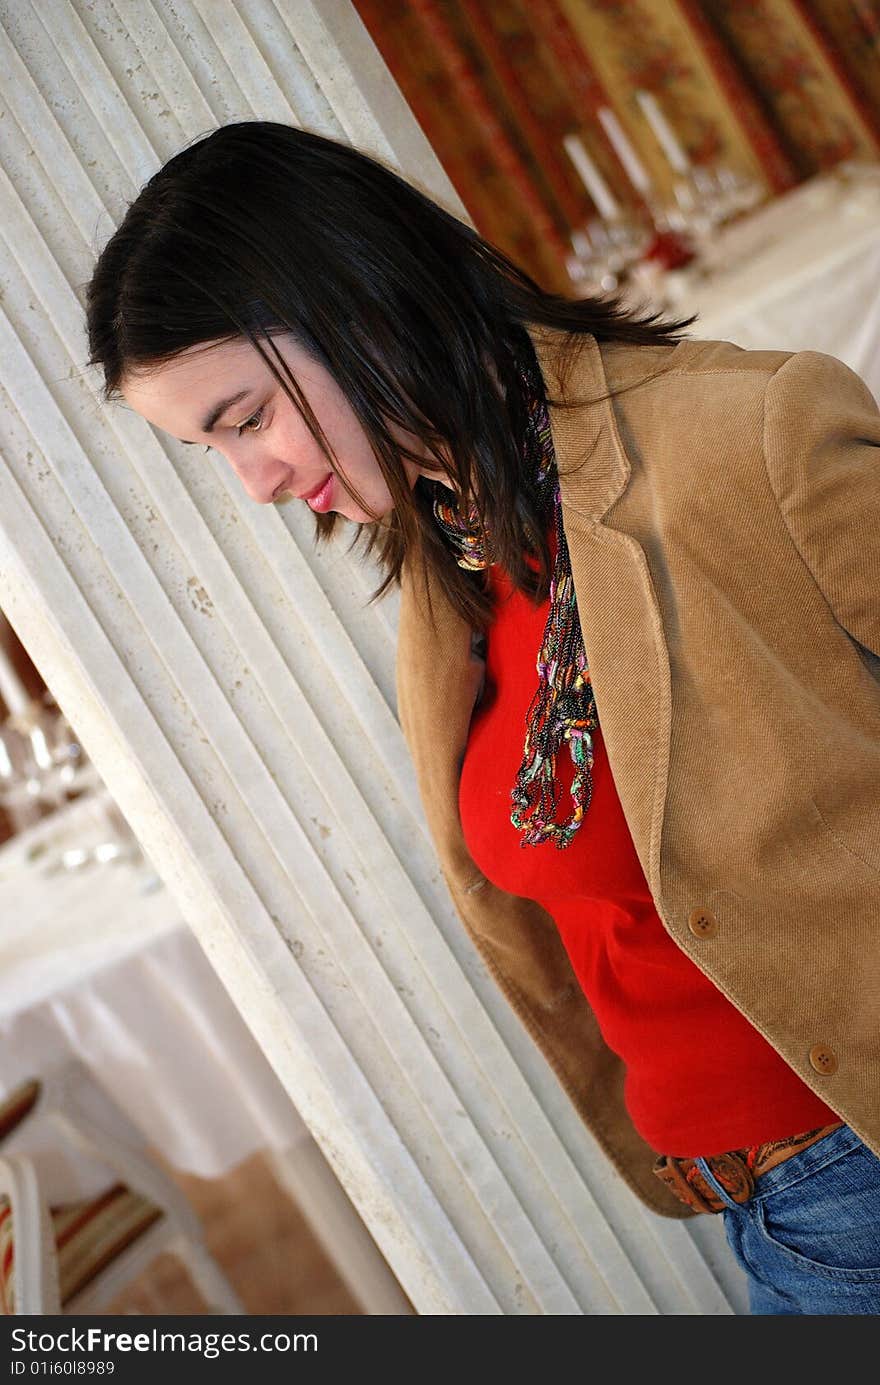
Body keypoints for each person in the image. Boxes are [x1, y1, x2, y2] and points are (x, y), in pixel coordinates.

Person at [85, 120, 880, 1315]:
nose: (250, 480)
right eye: (212, 449)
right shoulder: (452, 556)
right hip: (750, 1210)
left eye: (246, 416)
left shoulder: (744, 437)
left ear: (354, 302)